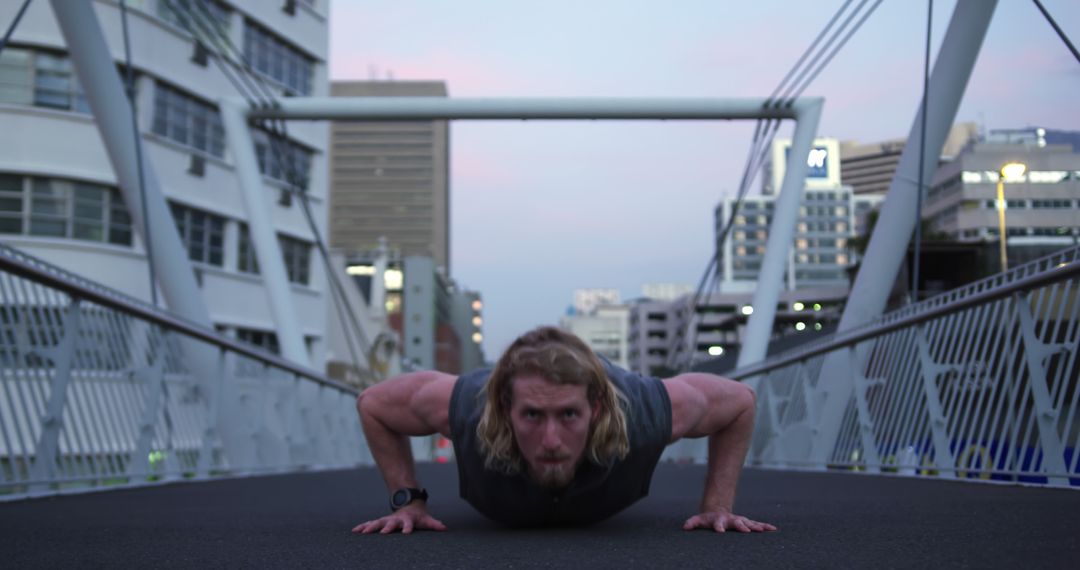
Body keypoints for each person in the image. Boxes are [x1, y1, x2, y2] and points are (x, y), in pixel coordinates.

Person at [351, 326, 776, 534]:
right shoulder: (467, 406)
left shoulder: (646, 411)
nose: (551, 441)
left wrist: (718, 505)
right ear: (505, 407)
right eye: (532, 416)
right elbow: (373, 404)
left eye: (568, 416)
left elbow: (739, 402)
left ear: (593, 408)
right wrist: (408, 503)